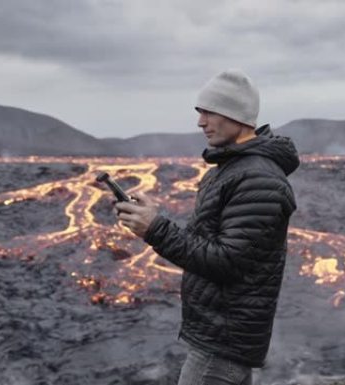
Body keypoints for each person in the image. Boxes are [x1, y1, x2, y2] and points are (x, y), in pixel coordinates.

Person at [115, 69, 299, 385]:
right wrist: (152, 220)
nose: (201, 122)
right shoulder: (231, 169)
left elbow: (228, 262)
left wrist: (155, 229)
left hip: (221, 345)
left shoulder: (257, 177)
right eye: (200, 112)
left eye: (209, 112)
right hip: (218, 338)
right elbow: (209, 243)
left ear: (236, 115)